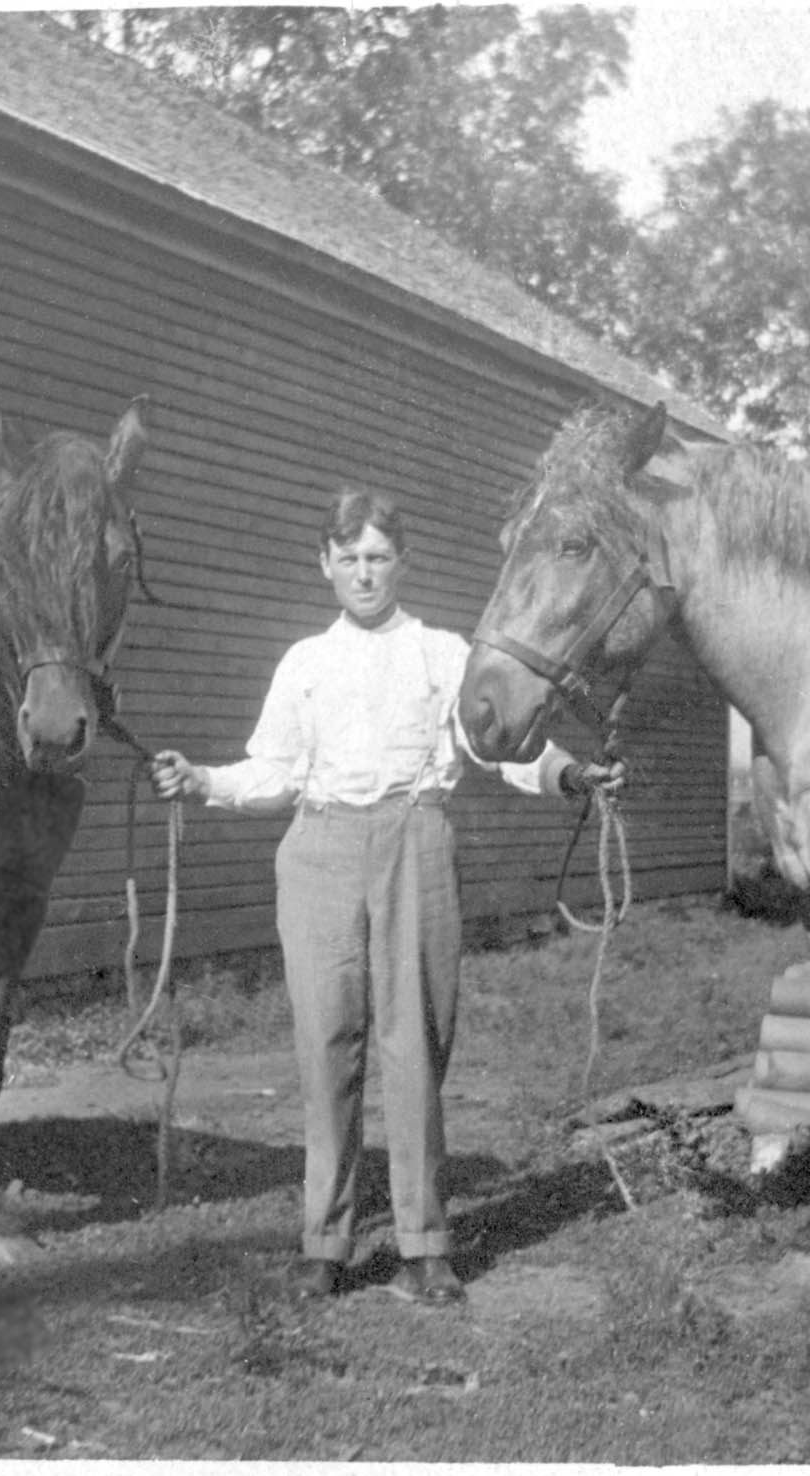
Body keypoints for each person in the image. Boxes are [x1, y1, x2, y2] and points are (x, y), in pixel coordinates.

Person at [151, 488, 619, 1307]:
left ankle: (423, 1243)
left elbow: (499, 746)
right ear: (324, 566)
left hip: (414, 841)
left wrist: (569, 773)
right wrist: (203, 780)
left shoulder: (443, 653)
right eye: (349, 559)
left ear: (400, 563)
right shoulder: (303, 662)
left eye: (378, 558)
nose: (363, 574)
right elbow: (274, 772)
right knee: (326, 1044)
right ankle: (324, 1242)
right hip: (320, 849)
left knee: (413, 1044)